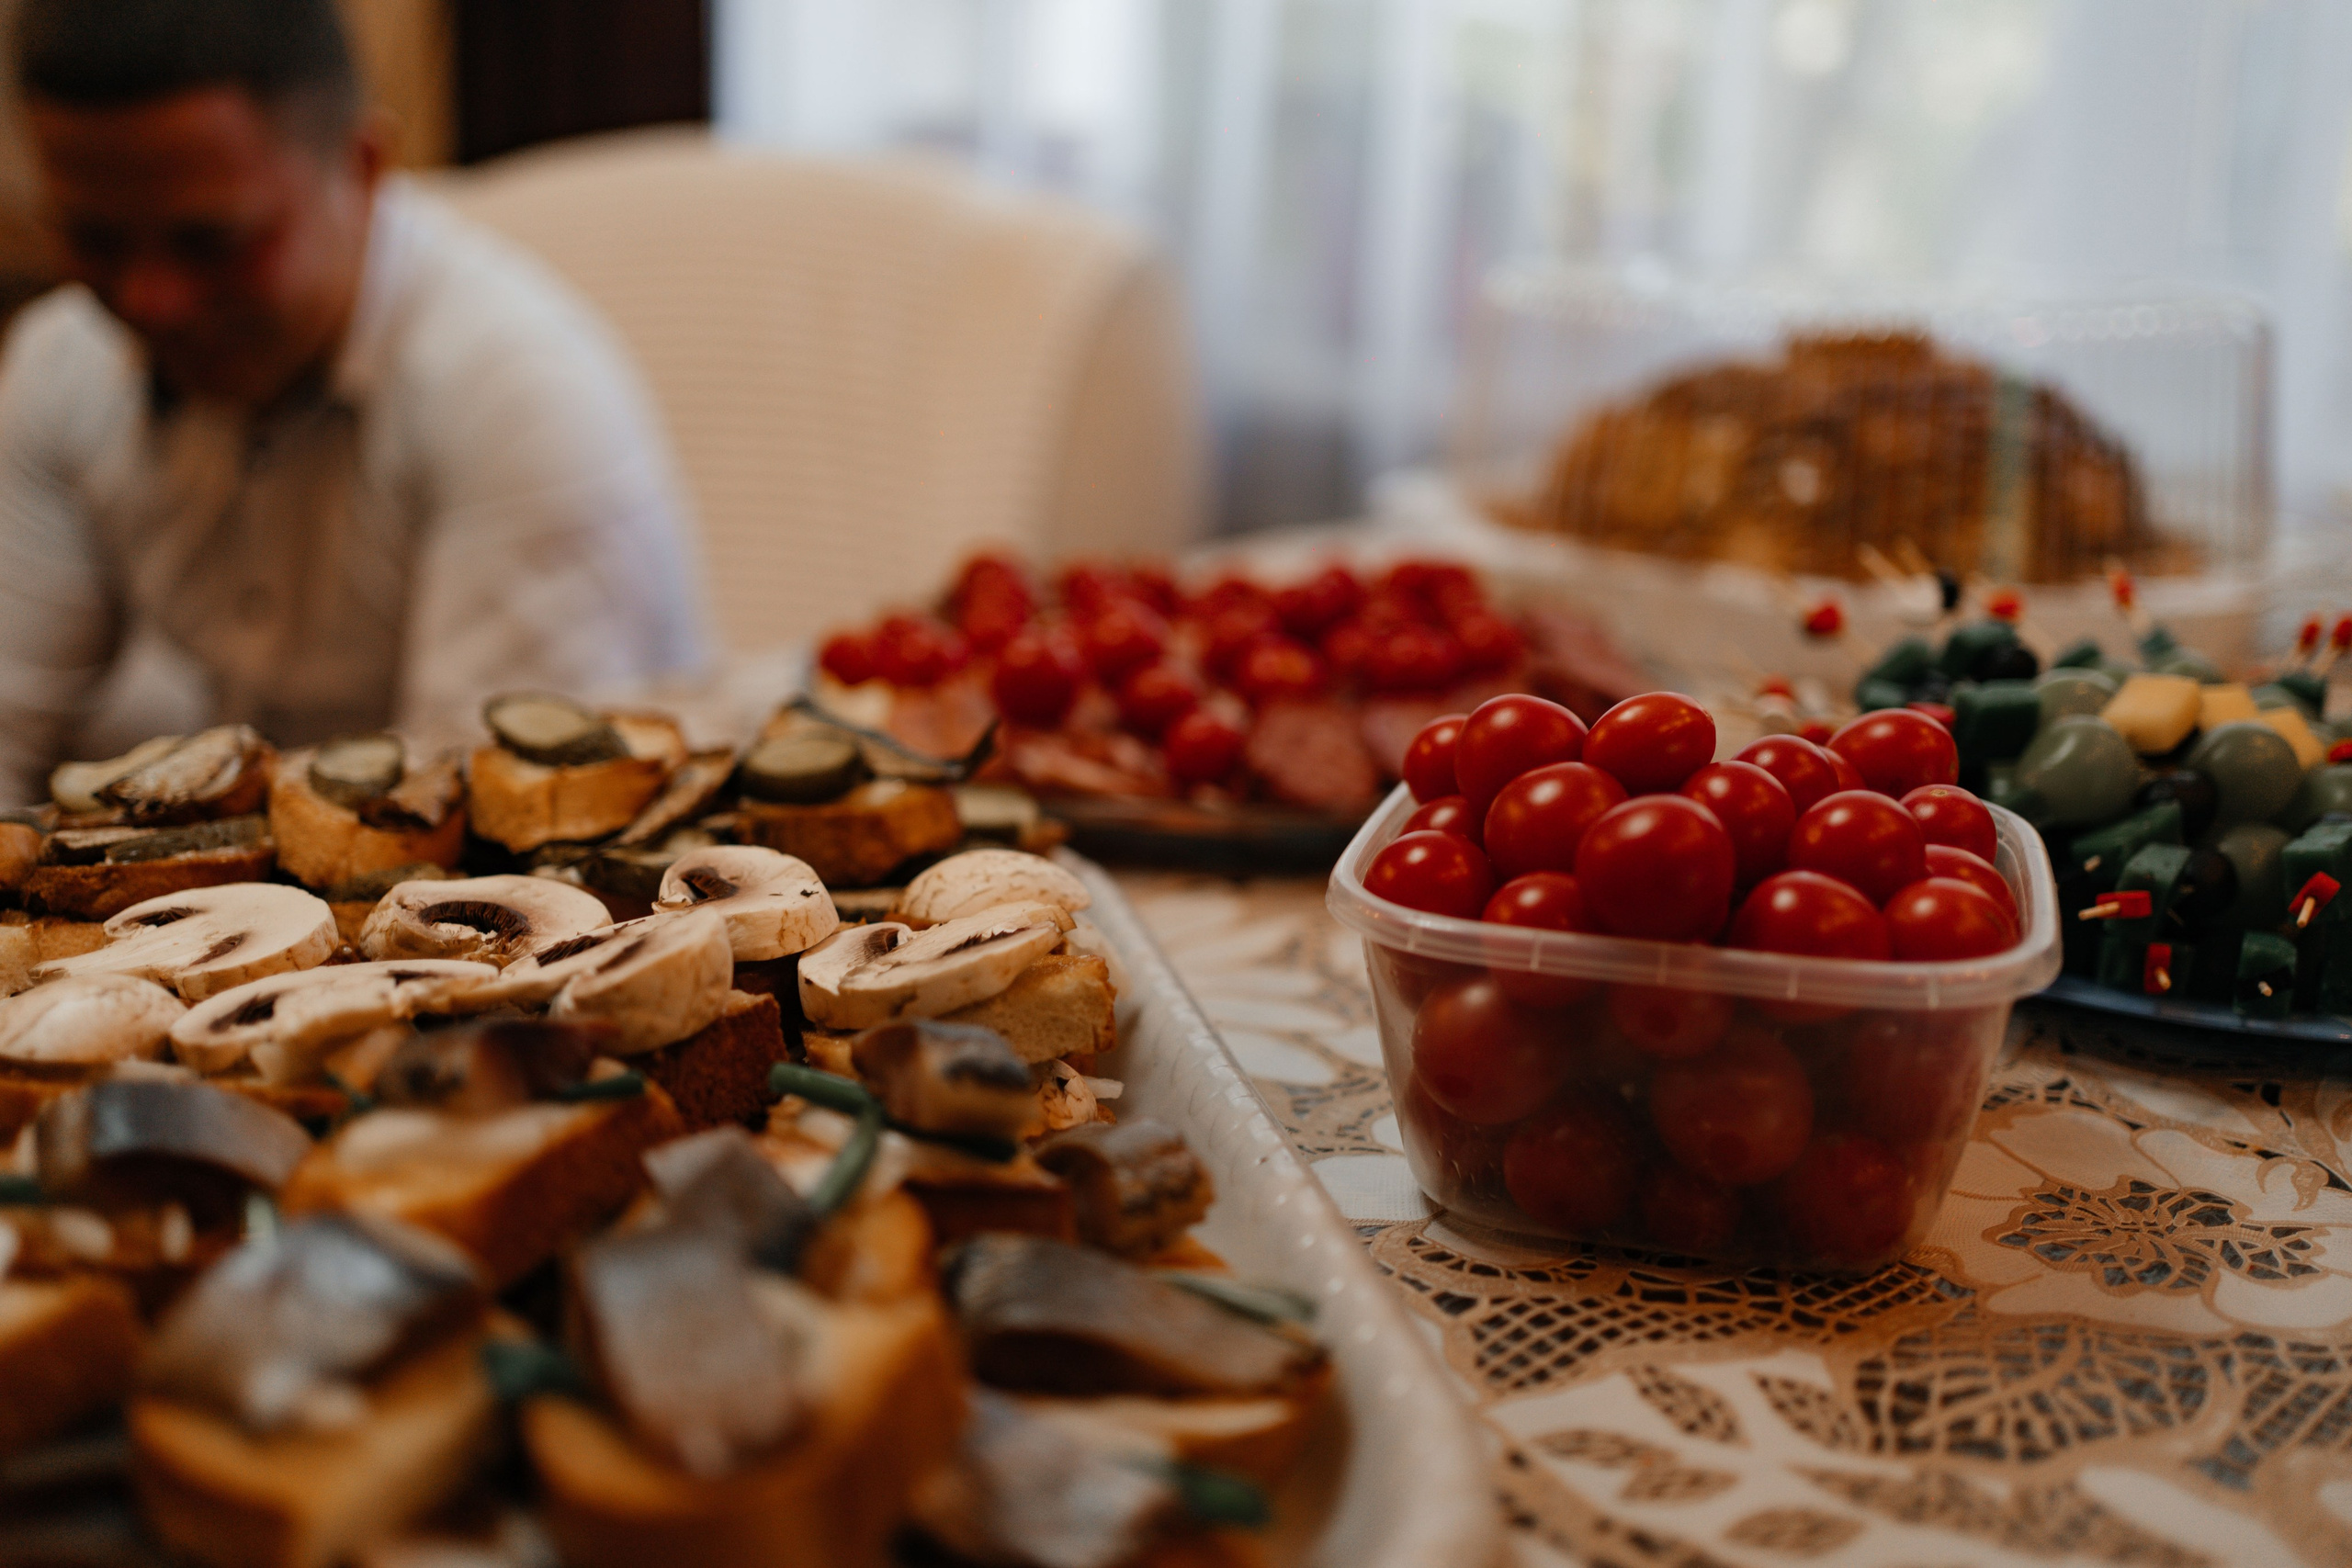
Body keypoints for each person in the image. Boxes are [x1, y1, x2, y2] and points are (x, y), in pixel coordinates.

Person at [0, 0, 709, 805]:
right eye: (96, 240)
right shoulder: (63, 361)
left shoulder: (520, 390)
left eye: (214, 243)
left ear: (364, 166)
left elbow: (497, 830)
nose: (149, 300)